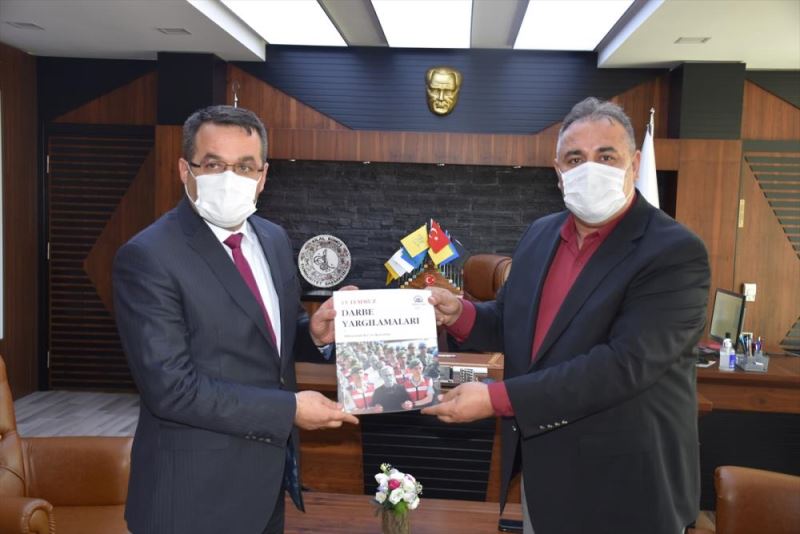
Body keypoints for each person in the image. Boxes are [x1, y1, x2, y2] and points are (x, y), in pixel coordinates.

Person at [424, 97, 710, 534]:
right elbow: (513, 320)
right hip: (546, 480)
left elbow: (623, 365)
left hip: (630, 491)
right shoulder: (540, 235)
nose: (589, 169)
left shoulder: (674, 252)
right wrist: (458, 314)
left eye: (606, 156)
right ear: (558, 171)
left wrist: (496, 399)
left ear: (634, 164)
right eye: (575, 158)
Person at [113, 105, 358, 534]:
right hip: (192, 498)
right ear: (185, 170)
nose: (230, 178)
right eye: (213, 165)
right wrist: (289, 410)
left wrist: (315, 333)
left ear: (263, 176)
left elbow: (269, 338)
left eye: (245, 166)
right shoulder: (148, 257)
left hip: (266, 488)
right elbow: (171, 389)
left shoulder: (274, 238)